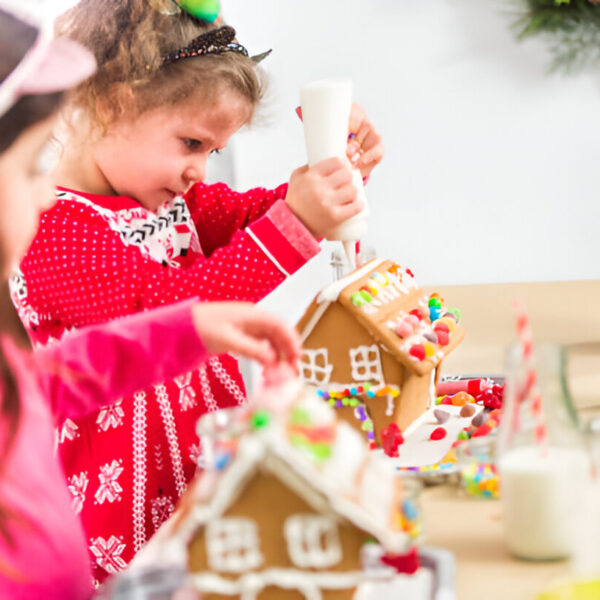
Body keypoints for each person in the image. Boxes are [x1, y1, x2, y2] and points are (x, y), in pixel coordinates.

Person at [14, 0, 384, 583]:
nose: (202, 173)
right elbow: (165, 312)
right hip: (122, 510)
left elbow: (255, 214)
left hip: (201, 470)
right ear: (113, 103)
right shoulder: (53, 229)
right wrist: (300, 221)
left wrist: (330, 180)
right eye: (191, 143)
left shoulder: (166, 202)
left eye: (213, 151)